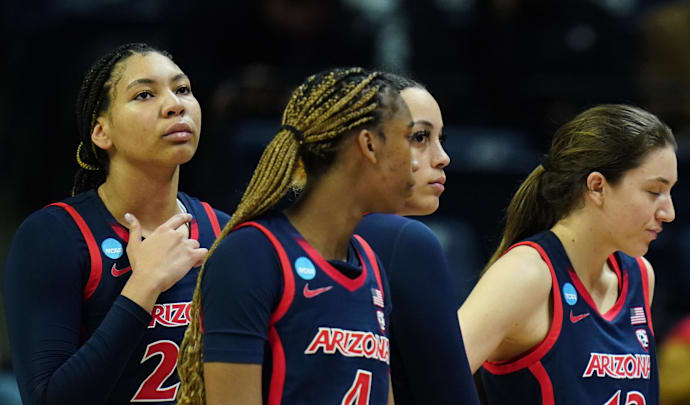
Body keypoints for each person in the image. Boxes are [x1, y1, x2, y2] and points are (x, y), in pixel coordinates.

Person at [3, 43, 229, 405]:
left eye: (182, 89)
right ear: (101, 132)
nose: (175, 104)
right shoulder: (54, 236)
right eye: (144, 94)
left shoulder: (224, 234)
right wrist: (143, 286)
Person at [177, 68, 416, 405]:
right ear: (370, 145)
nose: (418, 161)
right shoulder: (253, 253)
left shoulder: (371, 264)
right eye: (412, 139)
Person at [458, 104, 677, 404]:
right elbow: (426, 381)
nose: (669, 212)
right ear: (597, 186)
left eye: (670, 192)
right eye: (654, 192)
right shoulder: (526, 275)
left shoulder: (640, 275)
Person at [354, 74, 481, 405]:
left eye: (440, 138)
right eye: (421, 137)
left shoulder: (278, 235)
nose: (442, 157)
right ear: (367, 144)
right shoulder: (406, 241)